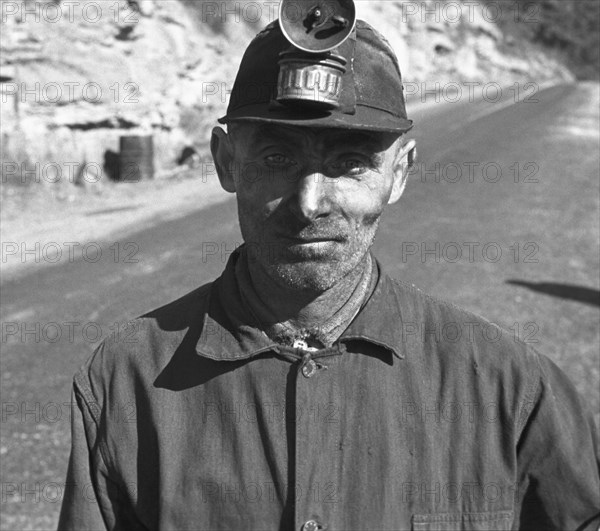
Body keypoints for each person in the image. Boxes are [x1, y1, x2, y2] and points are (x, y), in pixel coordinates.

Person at [58, 14, 600, 531]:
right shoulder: (126, 383)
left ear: (399, 173)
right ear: (226, 161)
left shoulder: (512, 390)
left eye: (349, 164)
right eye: (276, 158)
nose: (310, 202)